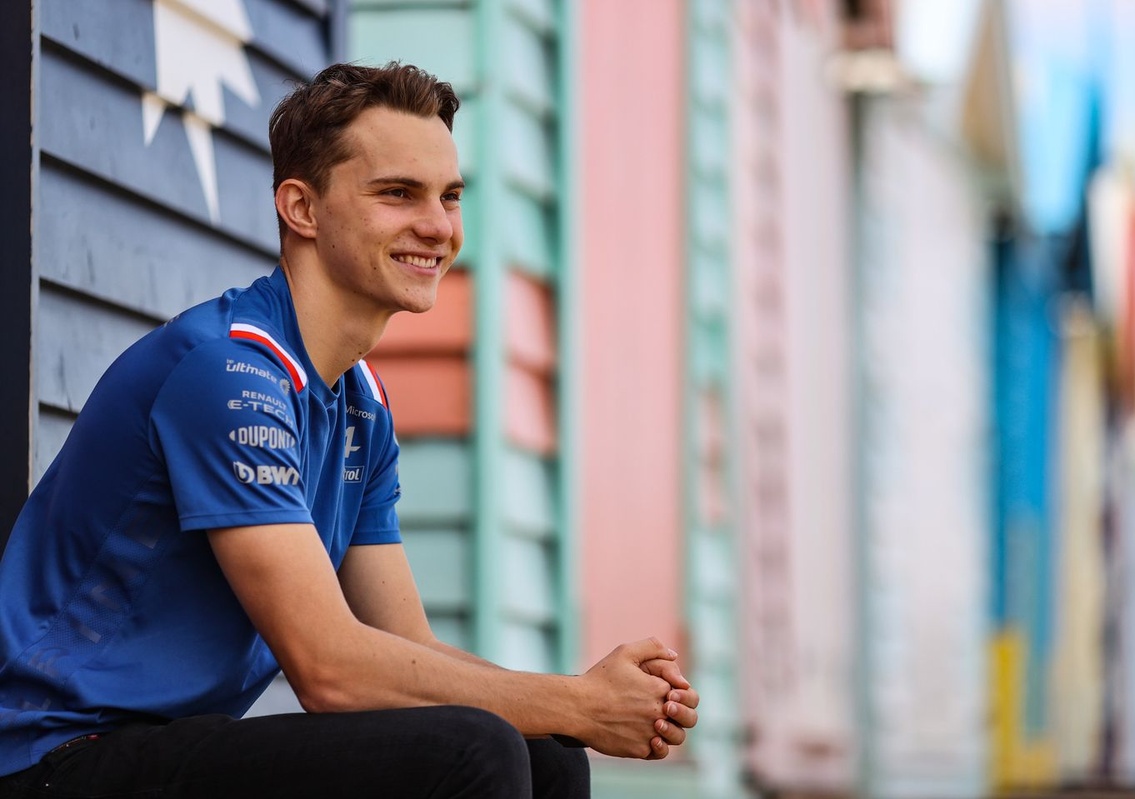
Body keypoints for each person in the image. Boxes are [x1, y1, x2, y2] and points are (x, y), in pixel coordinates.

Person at [0, 62, 698, 798]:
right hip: (51, 757)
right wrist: (582, 703)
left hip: (159, 751)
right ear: (302, 208)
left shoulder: (357, 403)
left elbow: (404, 649)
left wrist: (578, 705)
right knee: (477, 748)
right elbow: (330, 670)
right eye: (398, 193)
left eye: (449, 196)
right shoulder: (228, 374)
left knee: (547, 752)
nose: (438, 226)